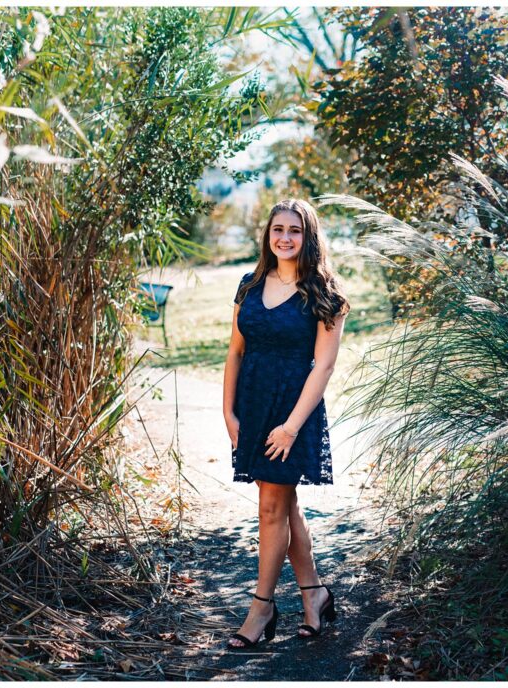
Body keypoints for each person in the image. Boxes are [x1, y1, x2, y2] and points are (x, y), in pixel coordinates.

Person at [222, 198, 350, 649]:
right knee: (283, 501)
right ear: (268, 235)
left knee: (272, 508)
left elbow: (323, 368)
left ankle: (261, 608)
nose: (285, 237)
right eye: (278, 229)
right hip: (253, 406)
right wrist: (228, 411)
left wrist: (291, 427)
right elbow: (235, 350)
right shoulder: (249, 284)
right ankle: (315, 594)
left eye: (294, 230)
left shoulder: (325, 294)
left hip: (294, 410)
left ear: (308, 236)